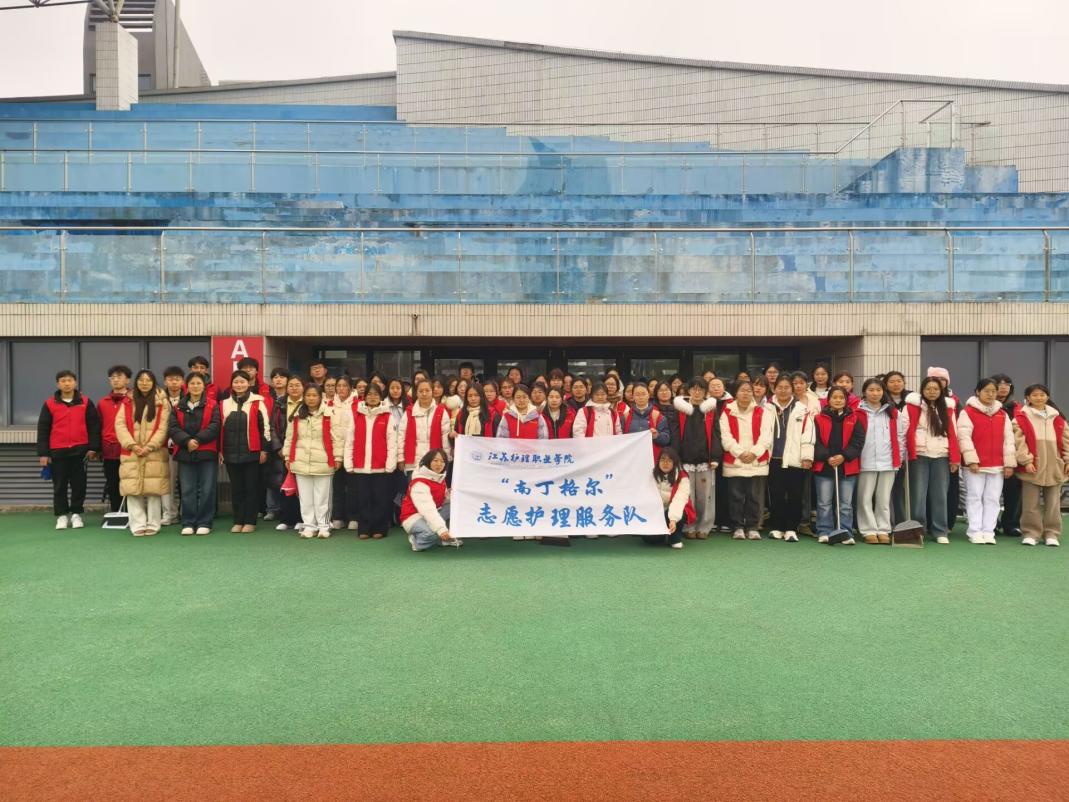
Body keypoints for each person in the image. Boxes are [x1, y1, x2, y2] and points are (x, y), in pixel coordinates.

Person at [37, 369, 101, 530]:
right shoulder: (49, 404)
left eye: (70, 380)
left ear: (75, 383)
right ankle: (61, 516)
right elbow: (43, 429)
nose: (67, 383)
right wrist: (43, 453)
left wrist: (94, 447)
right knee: (59, 486)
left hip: (80, 451)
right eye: (63, 381)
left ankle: (76, 514)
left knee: (79, 485)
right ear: (58, 384)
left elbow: (94, 426)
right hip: (57, 452)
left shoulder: (86, 402)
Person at [956, 378, 1016, 545]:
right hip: (975, 465)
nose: (991, 394)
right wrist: (971, 460)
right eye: (987, 391)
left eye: (993, 391)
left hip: (997, 464)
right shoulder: (967, 412)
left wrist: (1009, 463)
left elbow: (1009, 440)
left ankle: (989, 531)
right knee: (974, 497)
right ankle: (975, 531)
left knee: (993, 498)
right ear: (978, 392)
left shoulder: (1002, 414)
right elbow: (964, 437)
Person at [115, 370, 170, 537]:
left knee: (153, 489)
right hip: (131, 452)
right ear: (136, 382)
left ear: (153, 382)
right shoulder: (127, 401)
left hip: (154, 451)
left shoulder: (162, 402)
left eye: (148, 380)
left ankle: (153, 523)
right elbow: (120, 425)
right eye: (141, 380)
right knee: (132, 489)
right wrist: (132, 445)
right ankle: (138, 524)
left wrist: (150, 446)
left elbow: (164, 427)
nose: (144, 383)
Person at [904, 377, 960, 544]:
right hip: (919, 455)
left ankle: (940, 530)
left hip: (941, 455)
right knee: (918, 495)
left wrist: (955, 458)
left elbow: (953, 433)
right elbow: (905, 430)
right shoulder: (911, 407)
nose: (932, 392)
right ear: (922, 390)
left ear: (941, 391)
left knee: (940, 495)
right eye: (928, 389)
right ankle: (918, 529)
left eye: (935, 389)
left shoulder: (948, 408)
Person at [283, 384, 342, 539]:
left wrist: (338, 457)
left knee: (323, 497)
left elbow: (337, 438)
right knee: (305, 498)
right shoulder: (297, 415)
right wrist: (287, 456)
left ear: (320, 397)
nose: (311, 398)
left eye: (314, 395)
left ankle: (323, 526)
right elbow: (289, 438)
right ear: (304, 397)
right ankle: (309, 525)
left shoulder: (329, 414)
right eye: (308, 395)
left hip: (323, 461)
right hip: (301, 460)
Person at [1012, 384, 1068, 547]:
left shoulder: (1058, 419)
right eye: (1034, 395)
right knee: (1030, 503)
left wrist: (1067, 461)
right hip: (1032, 466)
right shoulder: (1021, 418)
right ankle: (1031, 533)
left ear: (1047, 397)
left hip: (1055, 466)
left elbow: (1066, 441)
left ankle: (1052, 533)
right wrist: (1026, 461)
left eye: (1042, 394)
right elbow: (1018, 442)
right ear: (1028, 398)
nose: (1039, 398)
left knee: (1053, 503)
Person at [343, 382, 399, 540]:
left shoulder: (387, 416)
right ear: (364, 396)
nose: (372, 397)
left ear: (381, 397)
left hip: (381, 467)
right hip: (361, 466)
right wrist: (349, 463)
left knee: (380, 499)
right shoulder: (356, 415)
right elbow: (350, 441)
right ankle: (364, 528)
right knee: (363, 499)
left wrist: (390, 464)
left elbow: (392, 443)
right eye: (369, 394)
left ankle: (380, 528)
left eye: (376, 394)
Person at [168, 371, 221, 535]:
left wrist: (196, 440)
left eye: (199, 383)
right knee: (187, 489)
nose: (195, 386)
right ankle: (188, 522)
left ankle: (205, 522)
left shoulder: (213, 405)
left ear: (204, 386)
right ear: (187, 386)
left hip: (207, 452)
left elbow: (215, 426)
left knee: (207, 489)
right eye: (192, 383)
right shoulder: (178, 407)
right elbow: (173, 428)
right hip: (185, 453)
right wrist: (186, 441)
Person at [855, 378, 907, 544]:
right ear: (864, 392)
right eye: (871, 390)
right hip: (865, 461)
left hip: (888, 461)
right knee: (864, 498)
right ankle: (868, 530)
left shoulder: (893, 413)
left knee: (884, 499)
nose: (875, 393)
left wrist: (899, 458)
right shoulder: (857, 411)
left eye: (878, 390)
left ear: (883, 392)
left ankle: (883, 529)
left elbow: (900, 437)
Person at [720, 381, 774, 540]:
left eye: (749, 391)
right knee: (735, 496)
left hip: (756, 461)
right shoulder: (727, 412)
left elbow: (766, 436)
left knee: (754, 496)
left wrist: (754, 453)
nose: (746, 393)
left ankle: (752, 526)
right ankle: (737, 526)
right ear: (735, 393)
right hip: (735, 461)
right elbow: (725, 436)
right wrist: (740, 453)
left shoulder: (762, 412)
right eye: (742, 390)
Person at [220, 370, 272, 534]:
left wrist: (264, 449)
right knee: (236, 489)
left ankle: (250, 521)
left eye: (242, 381)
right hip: (230, 453)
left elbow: (265, 428)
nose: (239, 385)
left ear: (249, 383)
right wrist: (220, 451)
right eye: (236, 382)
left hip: (252, 453)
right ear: (231, 384)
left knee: (251, 489)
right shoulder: (224, 403)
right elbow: (220, 429)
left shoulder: (258, 401)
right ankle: (238, 520)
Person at [813, 387, 866, 545]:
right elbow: (815, 441)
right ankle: (824, 531)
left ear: (846, 400)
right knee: (824, 503)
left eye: (841, 398)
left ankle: (846, 532)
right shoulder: (818, 418)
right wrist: (827, 457)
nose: (838, 400)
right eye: (834, 397)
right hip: (824, 466)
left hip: (847, 466)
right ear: (828, 400)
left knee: (845, 504)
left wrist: (844, 456)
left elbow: (858, 441)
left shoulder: (854, 418)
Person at [766, 375, 815, 542]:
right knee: (776, 494)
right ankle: (777, 527)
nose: (783, 390)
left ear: (792, 390)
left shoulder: (802, 409)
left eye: (787, 387)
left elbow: (808, 435)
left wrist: (807, 457)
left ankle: (792, 528)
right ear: (774, 389)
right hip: (774, 458)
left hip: (795, 459)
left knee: (795, 495)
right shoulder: (767, 408)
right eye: (780, 387)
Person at [672, 378, 721, 539]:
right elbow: (675, 434)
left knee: (705, 496)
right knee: (687, 495)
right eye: (694, 389)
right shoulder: (680, 409)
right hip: (685, 460)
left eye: (701, 389)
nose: (697, 392)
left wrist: (715, 457)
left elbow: (716, 434)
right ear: (689, 391)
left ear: (706, 391)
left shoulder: (710, 410)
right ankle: (689, 526)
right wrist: (676, 458)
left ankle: (704, 527)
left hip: (705, 460)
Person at [403, 449, 462, 551]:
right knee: (432, 533)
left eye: (442, 461)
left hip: (433, 511)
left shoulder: (439, 477)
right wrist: (441, 529)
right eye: (435, 460)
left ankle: (442, 539)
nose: (439, 464)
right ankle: (417, 542)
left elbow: (442, 500)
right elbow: (427, 509)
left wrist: (450, 495)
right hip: (413, 516)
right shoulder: (419, 483)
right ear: (428, 461)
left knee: (456, 506)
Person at [271, 375, 305, 532]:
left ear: (303, 387)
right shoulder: (279, 403)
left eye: (297, 385)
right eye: (291, 385)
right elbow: (271, 426)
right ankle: (287, 519)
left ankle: (301, 518)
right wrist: (279, 448)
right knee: (286, 486)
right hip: (284, 451)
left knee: (302, 487)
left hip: (303, 450)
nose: (294, 388)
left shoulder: (308, 402)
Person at [398, 378, 452, 475]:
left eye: (427, 390)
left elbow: (445, 438)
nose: (424, 394)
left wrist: (446, 459)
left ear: (432, 392)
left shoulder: (441, 412)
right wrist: (400, 458)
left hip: (435, 463)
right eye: (421, 391)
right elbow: (401, 437)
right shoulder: (409, 412)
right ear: (416, 393)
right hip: (413, 463)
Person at [642, 447, 692, 550]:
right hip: (656, 512)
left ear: (675, 462)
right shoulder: (651, 475)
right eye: (662, 460)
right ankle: (663, 535)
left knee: (678, 512)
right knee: (650, 539)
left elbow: (679, 500)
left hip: (674, 510)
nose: (665, 463)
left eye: (669, 461)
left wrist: (673, 519)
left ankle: (674, 538)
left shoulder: (682, 477)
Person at [992, 373, 1023, 538]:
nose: (1003, 387)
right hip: (992, 455)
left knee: (1013, 492)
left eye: (1007, 384)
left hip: (1013, 455)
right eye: (999, 384)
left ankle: (1011, 524)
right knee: (991, 493)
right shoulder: (985, 406)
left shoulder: (1018, 407)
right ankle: (991, 524)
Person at [97, 364, 131, 513]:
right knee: (112, 483)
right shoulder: (102, 402)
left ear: (128, 380)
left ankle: (132, 514)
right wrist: (97, 448)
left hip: (129, 449)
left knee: (130, 483)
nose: (116, 380)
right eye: (113, 377)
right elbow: (97, 426)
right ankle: (116, 513)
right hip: (109, 450)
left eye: (120, 377)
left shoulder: (134, 400)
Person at [328, 375, 357, 530]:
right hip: (334, 452)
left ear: (351, 388)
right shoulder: (329, 405)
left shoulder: (358, 405)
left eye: (344, 385)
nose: (341, 389)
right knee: (337, 486)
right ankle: (337, 517)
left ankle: (353, 517)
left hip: (353, 451)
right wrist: (336, 454)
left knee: (353, 487)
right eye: (338, 386)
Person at [263, 369, 291, 522]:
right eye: (275, 377)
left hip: (290, 443)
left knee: (288, 478)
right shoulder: (267, 398)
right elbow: (268, 425)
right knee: (271, 477)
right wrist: (277, 446)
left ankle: (287, 509)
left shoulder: (292, 397)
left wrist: (286, 446)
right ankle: (272, 508)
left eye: (282, 377)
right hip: (272, 444)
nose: (278, 379)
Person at [159, 366, 186, 527]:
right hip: (164, 447)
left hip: (184, 445)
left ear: (182, 381)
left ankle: (186, 512)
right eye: (170, 379)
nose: (174, 382)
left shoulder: (189, 398)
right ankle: (169, 513)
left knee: (187, 482)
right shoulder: (158, 399)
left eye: (177, 379)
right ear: (165, 381)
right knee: (167, 481)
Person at [622, 383, 670, 463]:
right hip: (631, 460)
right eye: (637, 394)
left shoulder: (658, 416)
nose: (640, 397)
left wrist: (657, 436)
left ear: (648, 395)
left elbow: (666, 439)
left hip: (652, 459)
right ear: (633, 396)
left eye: (643, 394)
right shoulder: (625, 417)